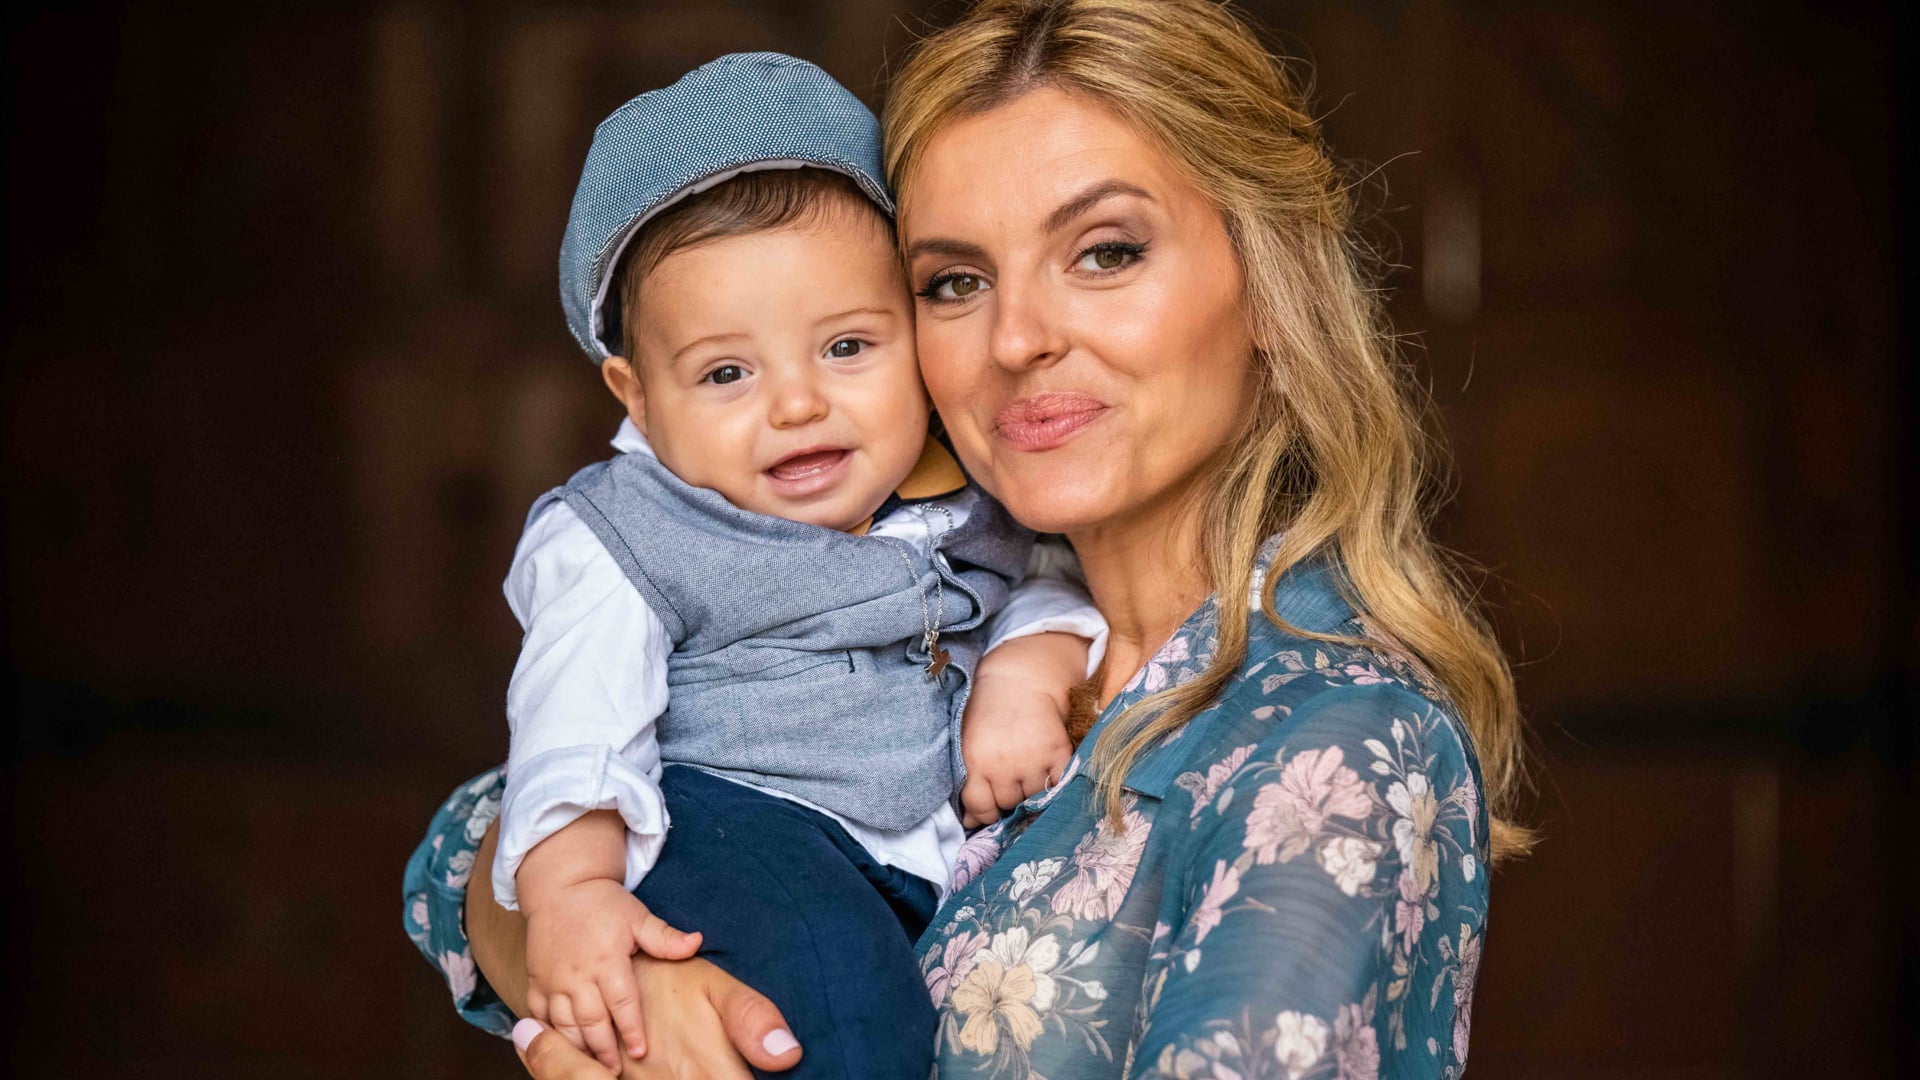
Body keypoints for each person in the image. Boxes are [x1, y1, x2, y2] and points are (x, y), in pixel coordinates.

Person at [413, 1, 1534, 1076]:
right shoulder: (930, 590)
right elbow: (469, 844)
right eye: (953, 281)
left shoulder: (1329, 740)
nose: (1017, 338)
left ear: (1269, 284)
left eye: (1105, 253)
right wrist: (628, 980)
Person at [404, 52, 1106, 1078]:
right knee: (843, 1007)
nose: (796, 404)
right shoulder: (625, 534)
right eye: (727, 371)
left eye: (847, 348)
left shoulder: (971, 490)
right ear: (637, 396)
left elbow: (1047, 574)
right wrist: (571, 894)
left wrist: (1029, 661)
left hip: (895, 858)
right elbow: (573, 721)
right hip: (727, 822)